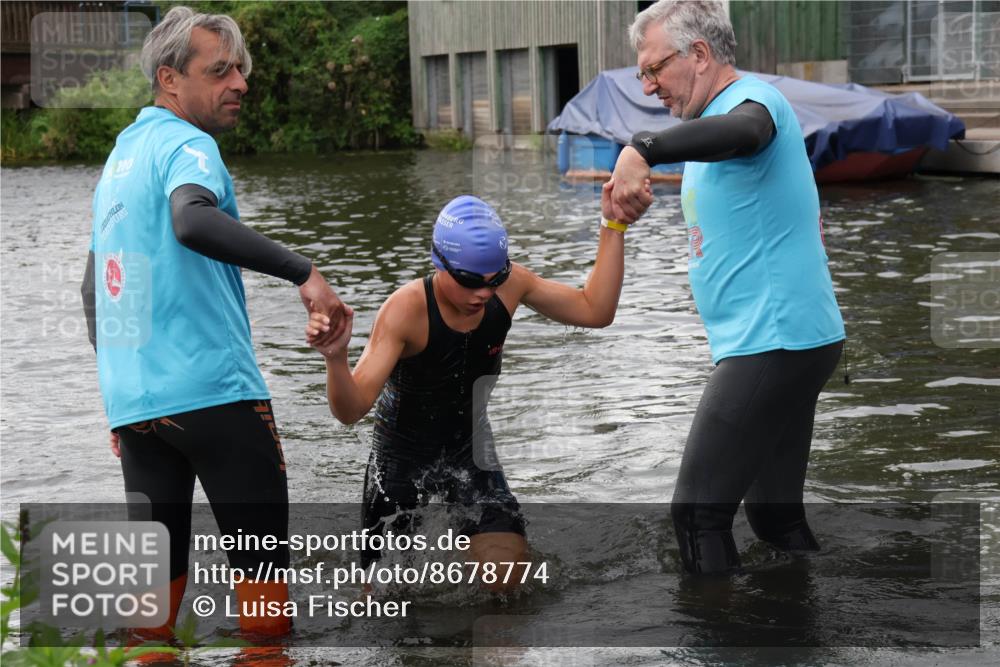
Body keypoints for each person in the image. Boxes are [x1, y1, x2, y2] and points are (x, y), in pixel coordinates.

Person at [80, 6, 349, 636]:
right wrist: (304, 272)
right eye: (221, 70)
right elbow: (193, 220)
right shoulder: (188, 144)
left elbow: (95, 290)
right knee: (265, 610)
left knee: (150, 612)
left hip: (138, 410)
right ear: (170, 79)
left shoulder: (120, 159)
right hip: (216, 396)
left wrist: (122, 398)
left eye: (240, 70)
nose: (241, 83)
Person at [609, 0, 846, 575]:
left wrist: (644, 147)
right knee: (774, 520)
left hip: (773, 341)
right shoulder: (707, 125)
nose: (649, 86)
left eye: (654, 69)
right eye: (642, 75)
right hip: (791, 339)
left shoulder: (755, 102)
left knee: (697, 516)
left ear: (699, 54)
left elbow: (748, 132)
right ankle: (805, 618)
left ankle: (716, 627)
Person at [305, 189, 637, 591]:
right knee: (387, 598)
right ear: (439, 263)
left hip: (470, 452)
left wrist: (613, 225)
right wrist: (336, 357)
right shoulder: (405, 310)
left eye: (495, 280)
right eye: (469, 281)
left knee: (508, 580)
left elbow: (595, 310)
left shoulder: (511, 286)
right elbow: (351, 409)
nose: (484, 293)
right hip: (399, 463)